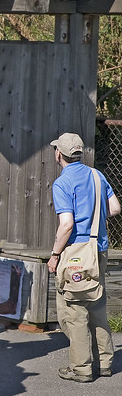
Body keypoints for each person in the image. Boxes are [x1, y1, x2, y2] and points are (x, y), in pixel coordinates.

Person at [48, 132, 119, 382]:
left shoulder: (62, 183)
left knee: (75, 309)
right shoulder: (97, 175)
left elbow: (66, 224)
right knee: (97, 305)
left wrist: (55, 255)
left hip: (76, 252)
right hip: (98, 248)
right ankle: (105, 362)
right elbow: (115, 207)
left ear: (59, 154)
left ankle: (81, 368)